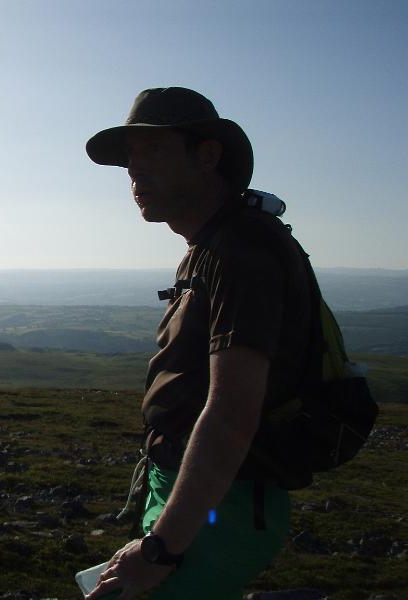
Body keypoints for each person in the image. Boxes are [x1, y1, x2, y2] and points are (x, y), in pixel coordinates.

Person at [83, 87, 312, 599]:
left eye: (154, 150)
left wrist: (162, 548)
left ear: (208, 156)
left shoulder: (240, 252)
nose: (135, 172)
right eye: (129, 161)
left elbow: (230, 414)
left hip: (221, 507)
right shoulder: (213, 246)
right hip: (208, 501)